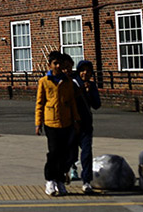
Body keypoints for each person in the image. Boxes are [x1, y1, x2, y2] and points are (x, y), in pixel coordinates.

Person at [36, 50, 80, 196]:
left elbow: (72, 102)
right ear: (49, 65)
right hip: (50, 122)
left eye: (60, 63)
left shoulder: (67, 81)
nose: (58, 66)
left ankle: (60, 180)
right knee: (53, 152)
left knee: (64, 153)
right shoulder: (44, 81)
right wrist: (38, 123)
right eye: (55, 63)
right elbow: (40, 103)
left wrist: (76, 119)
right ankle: (50, 180)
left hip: (66, 121)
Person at [70, 59, 102, 193]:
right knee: (71, 152)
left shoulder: (92, 86)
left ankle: (86, 181)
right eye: (83, 70)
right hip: (72, 123)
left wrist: (89, 93)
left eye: (88, 71)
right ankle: (70, 169)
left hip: (86, 124)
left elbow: (96, 105)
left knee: (87, 152)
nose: (85, 73)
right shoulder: (72, 84)